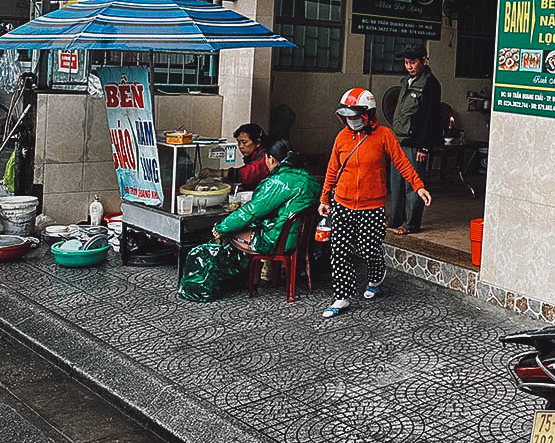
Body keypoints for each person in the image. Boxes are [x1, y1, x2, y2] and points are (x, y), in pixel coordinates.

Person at [320, 87, 431, 318]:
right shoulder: (341, 138)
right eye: (347, 117)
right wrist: (324, 198)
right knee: (339, 250)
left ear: (368, 114)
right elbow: (333, 169)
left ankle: (375, 276)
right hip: (343, 203)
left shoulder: (384, 135)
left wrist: (418, 186)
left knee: (369, 248)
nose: (352, 121)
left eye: (356, 116)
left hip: (372, 206)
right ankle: (342, 297)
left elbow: (402, 163)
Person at [178, 139, 320, 303]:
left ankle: (219, 281)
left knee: (229, 233)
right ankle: (243, 278)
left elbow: (251, 212)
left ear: (270, 159)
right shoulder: (308, 178)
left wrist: (222, 227)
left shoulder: (280, 181)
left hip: (278, 240)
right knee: (237, 228)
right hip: (300, 240)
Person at [389, 46, 441, 234]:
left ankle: (411, 224)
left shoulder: (430, 84)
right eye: (406, 63)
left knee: (413, 184)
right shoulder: (406, 82)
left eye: (413, 62)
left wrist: (424, 146)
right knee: (396, 183)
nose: (409, 66)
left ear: (424, 61)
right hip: (398, 141)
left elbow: (430, 117)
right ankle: (395, 220)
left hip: (415, 143)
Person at [231, 123, 271, 190]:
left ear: (257, 143)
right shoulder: (252, 156)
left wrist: (219, 173)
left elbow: (246, 174)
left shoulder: (264, 158)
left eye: (244, 142)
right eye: (239, 142)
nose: (240, 146)